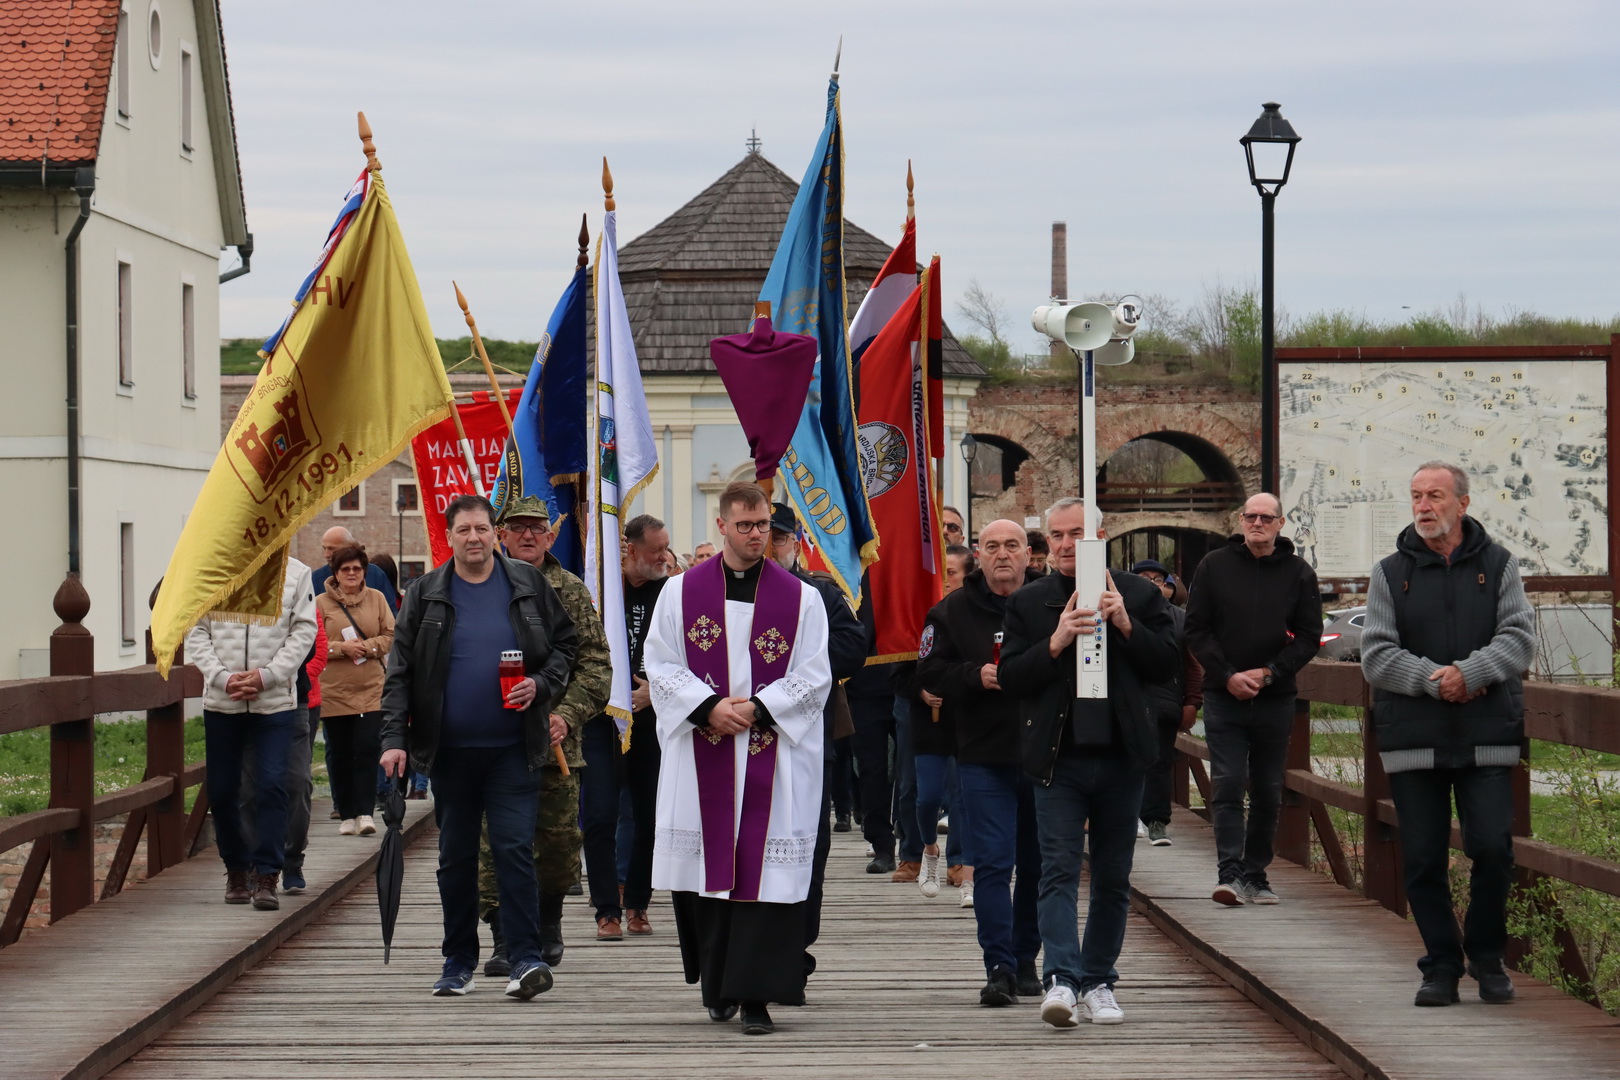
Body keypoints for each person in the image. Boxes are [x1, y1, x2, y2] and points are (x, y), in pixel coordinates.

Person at [645, 482, 832, 1036]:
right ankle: (717, 986)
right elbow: (659, 664)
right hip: (706, 747)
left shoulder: (803, 598)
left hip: (771, 752)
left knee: (766, 878)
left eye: (764, 526)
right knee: (709, 872)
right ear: (722, 525)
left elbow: (814, 674)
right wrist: (706, 708)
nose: (757, 535)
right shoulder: (680, 593)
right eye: (745, 525)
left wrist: (756, 708)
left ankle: (756, 996)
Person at [380, 493, 578, 1000]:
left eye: (482, 529)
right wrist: (393, 740)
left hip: (514, 746)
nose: (474, 538)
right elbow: (400, 671)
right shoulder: (425, 594)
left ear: (495, 534)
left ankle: (526, 959)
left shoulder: (527, 583)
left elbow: (566, 647)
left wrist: (541, 684)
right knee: (456, 857)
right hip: (451, 752)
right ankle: (458, 961)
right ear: (450, 537)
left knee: (514, 850)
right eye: (463, 530)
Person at [999, 497, 1176, 1028]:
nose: (1066, 544)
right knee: (1056, 868)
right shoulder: (1030, 603)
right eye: (1056, 535)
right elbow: (1011, 678)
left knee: (1113, 874)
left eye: (1078, 533)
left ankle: (1098, 979)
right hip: (1059, 758)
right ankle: (1061, 978)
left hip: (1122, 757)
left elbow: (1166, 663)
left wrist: (1125, 623)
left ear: (1102, 534)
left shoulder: (1140, 593)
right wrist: (1054, 642)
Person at [1362, 461, 1533, 1008]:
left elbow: (1518, 637)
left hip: (1487, 735)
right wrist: (1441, 683)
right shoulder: (1389, 573)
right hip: (1414, 736)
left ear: (1463, 502)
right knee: (1423, 858)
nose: (1424, 506)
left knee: (1492, 848)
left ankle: (1486, 956)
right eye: (1416, 496)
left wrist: (1472, 673)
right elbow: (1377, 655)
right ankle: (1440, 963)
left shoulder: (1501, 566)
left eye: (1435, 495)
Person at [477, 495, 612, 976]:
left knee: (555, 842)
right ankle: (502, 937)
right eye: (517, 529)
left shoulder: (569, 590)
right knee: (494, 844)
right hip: (492, 741)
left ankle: (548, 923)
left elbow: (596, 665)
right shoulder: (478, 585)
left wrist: (567, 714)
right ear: (501, 535)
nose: (528, 536)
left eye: (537, 528)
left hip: (556, 743)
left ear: (551, 537)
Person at [920, 519, 1046, 1004]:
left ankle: (1027, 955)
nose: (1002, 555)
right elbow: (929, 670)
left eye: (1012, 546)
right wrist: (976, 676)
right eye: (992, 546)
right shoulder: (951, 611)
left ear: (1028, 554)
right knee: (992, 862)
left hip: (1043, 752)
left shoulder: (1051, 600)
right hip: (982, 755)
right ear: (978, 553)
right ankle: (999, 965)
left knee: (1038, 864)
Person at [1185, 493, 1322, 906]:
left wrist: (1270, 673)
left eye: (1266, 517)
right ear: (1241, 521)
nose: (1257, 523)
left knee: (1267, 787)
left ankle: (1256, 875)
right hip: (1224, 694)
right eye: (1250, 517)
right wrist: (1226, 675)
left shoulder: (1299, 573)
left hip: (1274, 695)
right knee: (1226, 781)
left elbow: (1310, 636)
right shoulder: (1214, 566)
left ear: (1281, 524)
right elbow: (1196, 629)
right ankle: (1228, 873)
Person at [766, 502, 866, 981]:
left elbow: (852, 648)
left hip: (806, 742)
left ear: (796, 542)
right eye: (760, 534)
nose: (768, 546)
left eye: (778, 538)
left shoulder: (820, 592)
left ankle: (795, 951)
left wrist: (792, 668)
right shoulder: (715, 591)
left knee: (809, 849)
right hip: (736, 740)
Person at [186, 557, 318, 911]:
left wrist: (268, 676)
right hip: (223, 700)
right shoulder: (211, 568)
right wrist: (222, 677)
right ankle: (236, 869)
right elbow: (195, 630)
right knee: (224, 789)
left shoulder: (298, 573)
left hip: (274, 701)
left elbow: (304, 630)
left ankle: (267, 874)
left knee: (273, 784)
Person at [582, 514, 670, 941]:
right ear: (631, 549)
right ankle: (606, 909)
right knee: (599, 814)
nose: (664, 558)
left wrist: (655, 691)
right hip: (601, 719)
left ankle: (638, 902)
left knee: (650, 814)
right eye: (656, 551)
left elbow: (689, 655)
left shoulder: (672, 593)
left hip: (653, 720)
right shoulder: (600, 593)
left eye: (667, 549)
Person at [316, 544, 395, 837]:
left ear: (364, 572)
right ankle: (346, 813)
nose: (351, 574)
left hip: (371, 689)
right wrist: (341, 648)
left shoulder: (376, 598)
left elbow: (390, 633)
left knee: (366, 748)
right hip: (335, 690)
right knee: (339, 754)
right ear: (335, 573)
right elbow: (315, 641)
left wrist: (369, 646)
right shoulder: (322, 603)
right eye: (345, 569)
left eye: (357, 569)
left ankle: (365, 812)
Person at [1131, 559, 1204, 848]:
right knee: (1128, 760)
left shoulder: (1179, 619)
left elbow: (1193, 664)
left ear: (1167, 587)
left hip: (1164, 701)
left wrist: (1192, 701)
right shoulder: (1119, 612)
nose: (1151, 584)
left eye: (1158, 580)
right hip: (1130, 700)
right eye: (1144, 578)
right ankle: (1128, 816)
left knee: (1160, 763)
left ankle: (1157, 821)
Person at [311, 525, 398, 610]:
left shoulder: (376, 575)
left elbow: (390, 614)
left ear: (349, 547)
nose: (326, 554)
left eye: (331, 549)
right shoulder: (316, 578)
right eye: (324, 548)